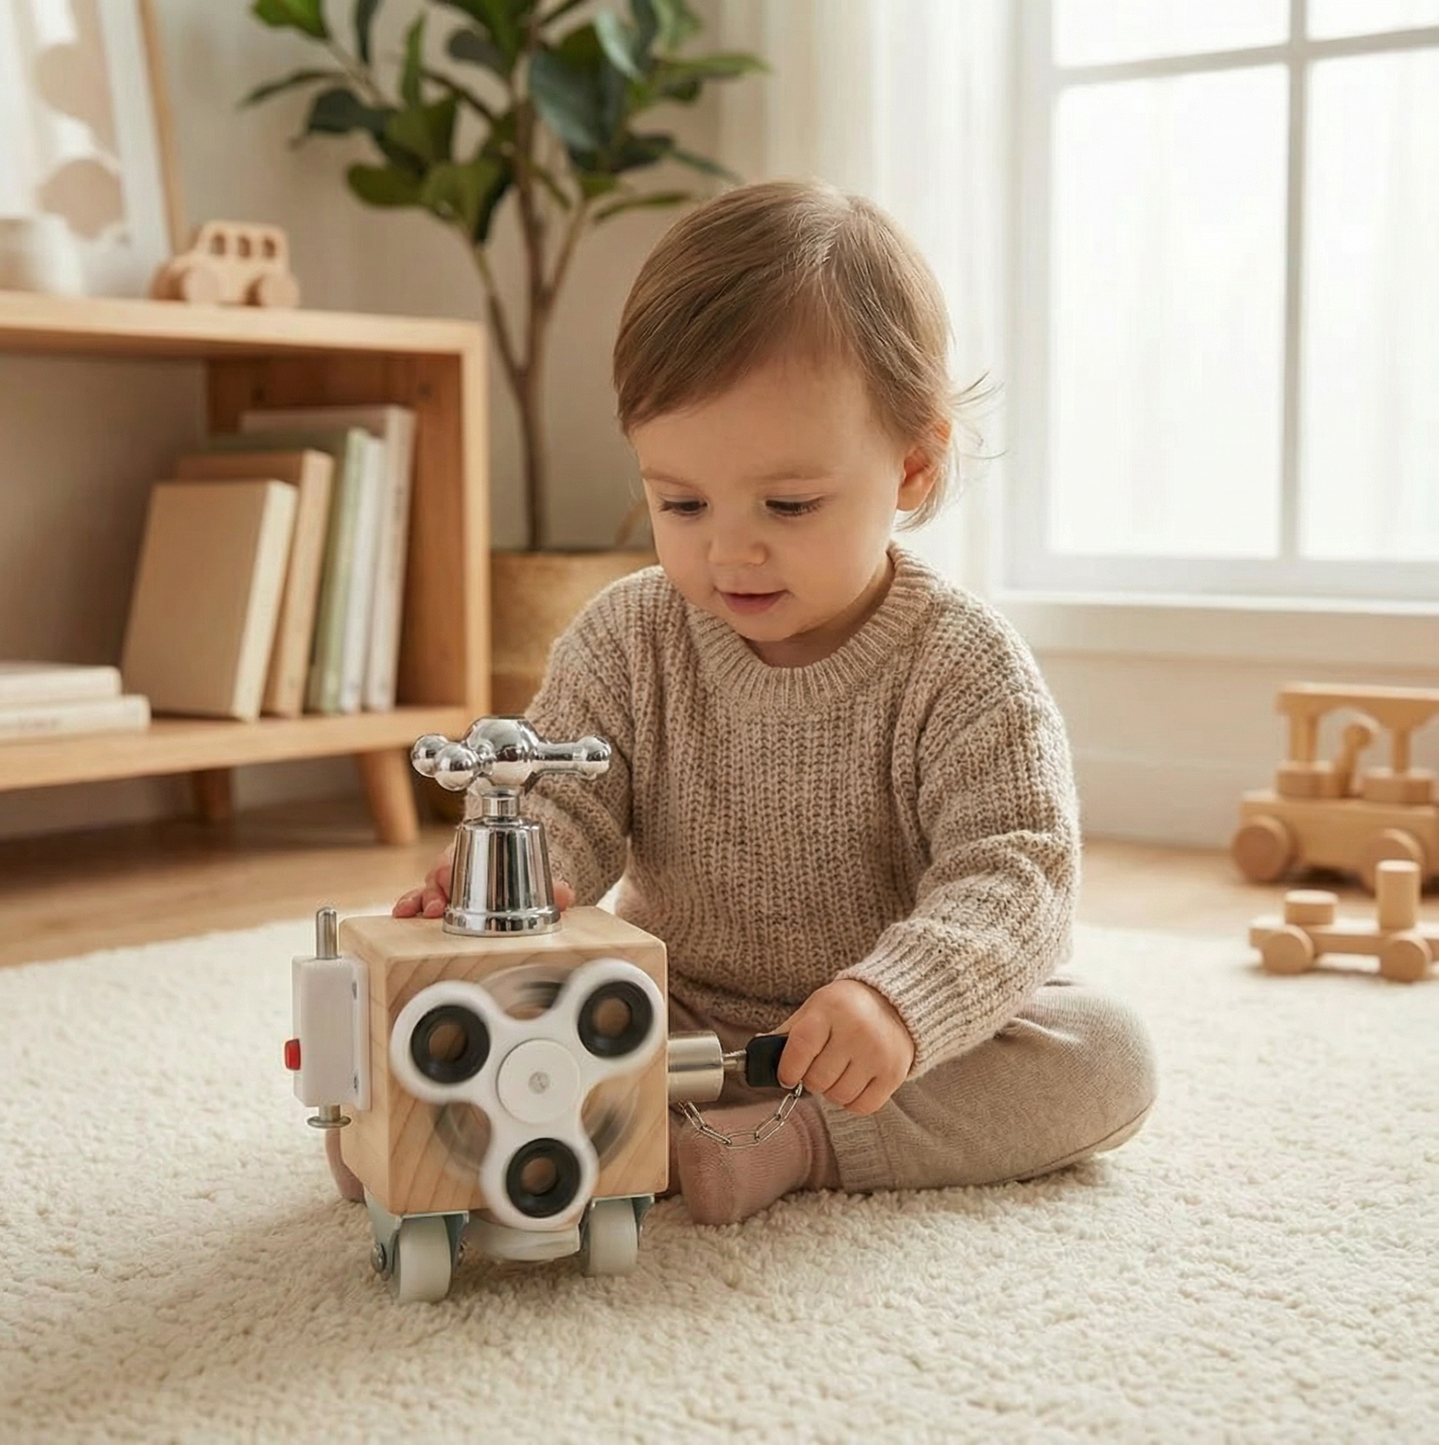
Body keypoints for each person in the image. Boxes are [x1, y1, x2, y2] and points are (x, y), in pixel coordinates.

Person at [376, 178, 1157, 1227]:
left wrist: (895, 997)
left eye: (787, 505)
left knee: (1104, 1053)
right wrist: (517, 876)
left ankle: (795, 1139)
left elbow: (1013, 873)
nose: (727, 547)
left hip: (874, 1041)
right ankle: (485, 1127)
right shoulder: (627, 633)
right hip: (670, 1007)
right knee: (477, 1024)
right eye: (679, 501)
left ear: (912, 467)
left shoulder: (963, 662)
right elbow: (561, 797)